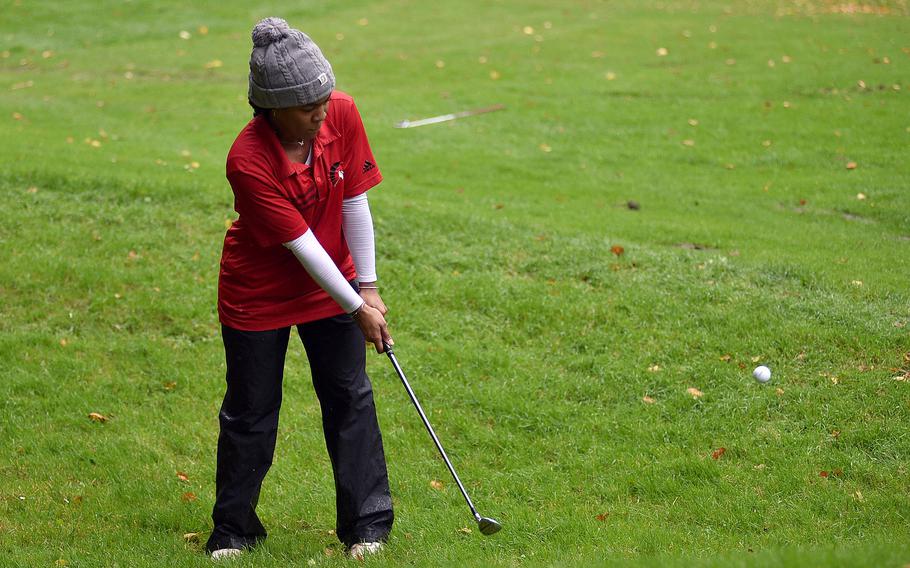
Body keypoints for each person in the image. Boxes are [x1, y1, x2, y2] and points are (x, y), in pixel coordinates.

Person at [205, 17, 394, 561]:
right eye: (307, 104)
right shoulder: (247, 160)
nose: (321, 109)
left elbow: (355, 198)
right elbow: (302, 246)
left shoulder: (342, 112)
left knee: (349, 397)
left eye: (324, 96)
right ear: (269, 109)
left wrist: (370, 288)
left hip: (333, 283)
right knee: (251, 409)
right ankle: (235, 529)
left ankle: (368, 526)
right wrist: (357, 304)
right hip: (258, 292)